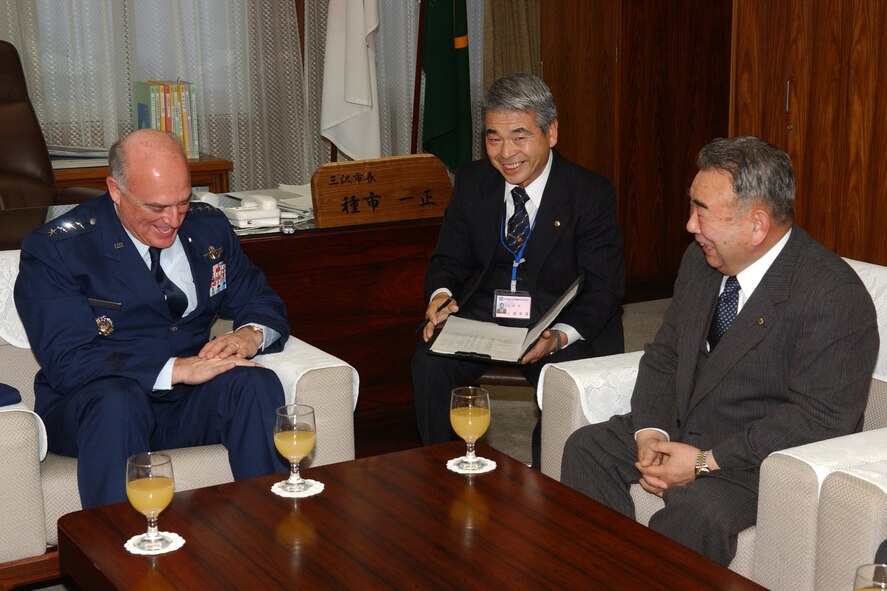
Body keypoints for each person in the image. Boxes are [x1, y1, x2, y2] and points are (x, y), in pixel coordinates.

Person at [560, 136, 879, 565]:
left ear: (756, 226)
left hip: (756, 459)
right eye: (692, 207)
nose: (690, 225)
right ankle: (604, 573)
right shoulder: (701, 261)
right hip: (684, 423)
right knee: (587, 448)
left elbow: (819, 417)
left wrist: (705, 463)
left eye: (701, 211)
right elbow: (666, 355)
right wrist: (650, 430)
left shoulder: (832, 294)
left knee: (697, 510)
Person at [15, 129, 290, 508]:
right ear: (115, 190)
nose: (173, 220)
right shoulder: (59, 249)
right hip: (94, 408)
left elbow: (258, 297)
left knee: (254, 383)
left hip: (185, 405)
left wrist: (249, 335)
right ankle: (120, 551)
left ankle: (269, 527)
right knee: (119, 400)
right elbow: (67, 360)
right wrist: (175, 369)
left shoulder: (208, 226)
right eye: (156, 207)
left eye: (182, 202)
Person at [411, 73, 625, 467]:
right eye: (494, 138)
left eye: (520, 136)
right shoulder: (473, 181)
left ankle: (548, 489)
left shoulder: (589, 194)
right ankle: (442, 472)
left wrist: (560, 336)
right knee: (429, 360)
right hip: (485, 316)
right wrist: (440, 296)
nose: (506, 153)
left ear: (551, 132)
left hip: (554, 321)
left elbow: (605, 287)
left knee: (563, 382)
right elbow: (448, 259)